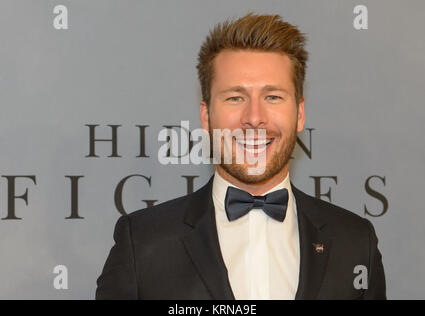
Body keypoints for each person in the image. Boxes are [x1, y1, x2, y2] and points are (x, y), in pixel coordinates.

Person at [96, 12, 386, 300]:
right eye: (235, 97)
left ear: (299, 114)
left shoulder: (355, 243)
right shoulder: (143, 242)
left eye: (273, 97)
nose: (254, 118)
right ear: (206, 116)